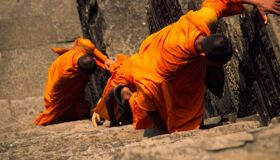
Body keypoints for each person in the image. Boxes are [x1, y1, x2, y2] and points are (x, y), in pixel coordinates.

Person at [92, 0, 280, 133]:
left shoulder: (203, 23)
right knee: (166, 115)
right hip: (152, 65)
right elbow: (148, 101)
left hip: (171, 54)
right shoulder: (162, 73)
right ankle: (125, 96)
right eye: (217, 64)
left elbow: (216, 3)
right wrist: (165, 132)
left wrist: (257, 1)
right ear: (204, 56)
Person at [34, 38, 114, 125]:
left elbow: (89, 47)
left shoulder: (81, 51)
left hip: (73, 72)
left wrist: (105, 60)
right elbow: (64, 92)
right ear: (76, 67)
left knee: (78, 106)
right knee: (58, 105)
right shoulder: (65, 74)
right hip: (57, 80)